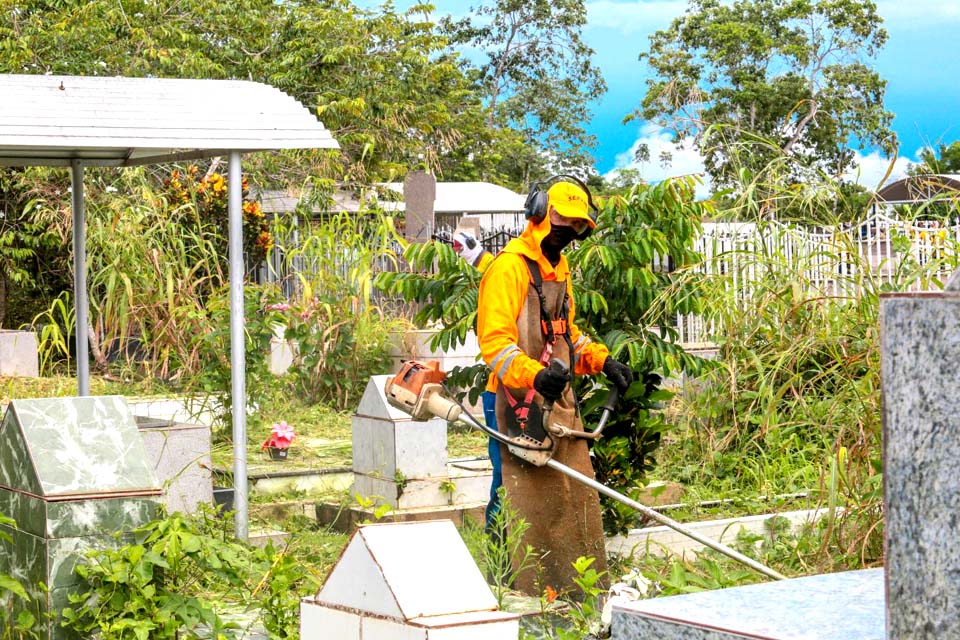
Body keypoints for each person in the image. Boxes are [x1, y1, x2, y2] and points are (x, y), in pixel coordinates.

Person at [476, 177, 633, 595]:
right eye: (562, 221)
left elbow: (564, 333)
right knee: (510, 487)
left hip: (555, 396)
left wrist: (602, 361)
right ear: (539, 213)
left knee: (562, 489)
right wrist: (533, 375)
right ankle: (500, 579)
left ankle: (558, 581)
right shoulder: (507, 268)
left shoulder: (558, 269)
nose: (568, 232)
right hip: (511, 400)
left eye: (577, 226)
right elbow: (494, 343)